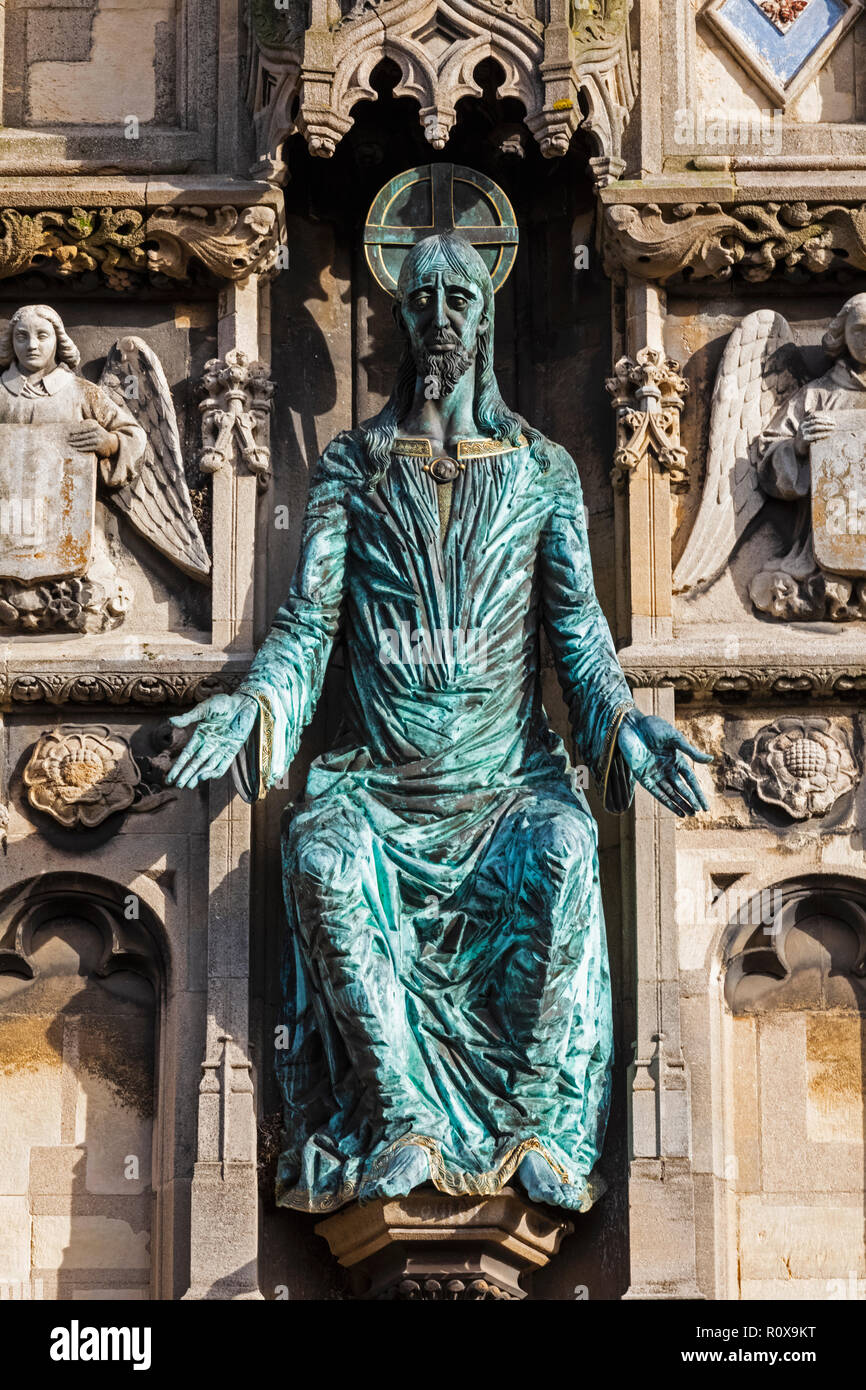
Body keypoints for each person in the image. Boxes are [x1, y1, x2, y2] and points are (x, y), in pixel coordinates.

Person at [167, 232, 709, 1213]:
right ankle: (401, 1120)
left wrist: (624, 723)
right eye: (423, 299)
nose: (443, 316)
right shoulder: (354, 466)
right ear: (398, 318)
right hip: (379, 789)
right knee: (322, 857)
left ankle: (537, 1128)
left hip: (504, 787)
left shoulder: (542, 470)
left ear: (490, 310)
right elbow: (305, 627)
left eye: (461, 296)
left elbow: (577, 635)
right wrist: (253, 701)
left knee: (564, 844)